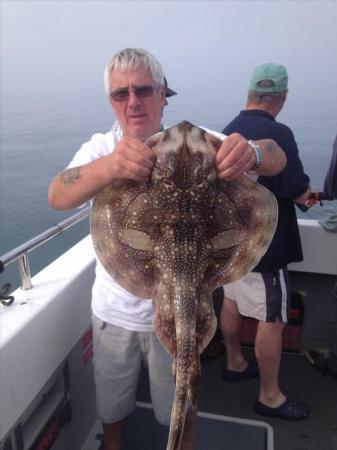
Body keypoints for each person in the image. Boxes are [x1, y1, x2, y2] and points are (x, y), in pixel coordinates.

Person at [48, 49, 286, 450]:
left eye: (142, 89)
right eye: (120, 94)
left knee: (183, 404)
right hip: (114, 313)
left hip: (190, 305)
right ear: (111, 101)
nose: (132, 101)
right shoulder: (101, 148)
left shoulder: (197, 144)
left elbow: (276, 158)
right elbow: (58, 194)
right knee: (112, 410)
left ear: (163, 94)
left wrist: (254, 153)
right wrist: (110, 167)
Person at [220, 63, 311, 420]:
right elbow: (296, 189)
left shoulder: (227, 131)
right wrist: (310, 196)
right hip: (267, 248)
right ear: (282, 98)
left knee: (230, 300)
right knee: (272, 318)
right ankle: (269, 396)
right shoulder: (280, 133)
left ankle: (234, 362)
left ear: (250, 94)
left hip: (231, 247)